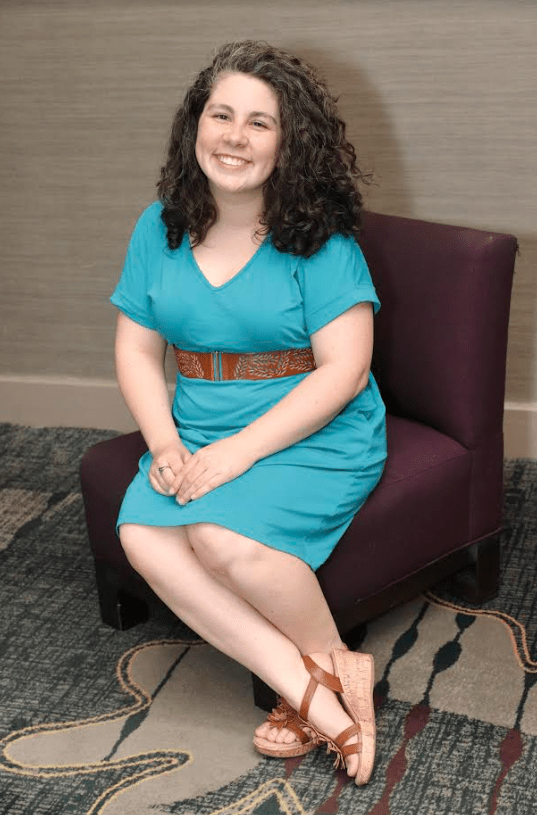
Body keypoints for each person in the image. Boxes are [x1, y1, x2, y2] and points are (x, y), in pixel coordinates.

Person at [110, 40, 387, 786]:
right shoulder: (158, 225)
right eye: (221, 114)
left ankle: (319, 686)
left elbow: (345, 369)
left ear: (289, 143)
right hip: (198, 422)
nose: (234, 135)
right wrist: (165, 442)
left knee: (217, 537)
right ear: (195, 125)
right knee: (143, 530)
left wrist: (239, 453)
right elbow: (138, 353)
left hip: (313, 427)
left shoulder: (319, 237)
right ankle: (327, 695)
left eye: (260, 123)